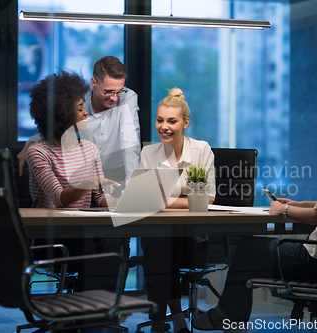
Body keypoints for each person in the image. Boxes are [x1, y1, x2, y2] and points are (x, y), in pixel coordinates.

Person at [192, 94, 317, 330]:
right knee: (251, 256)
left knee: (247, 249)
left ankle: (228, 314)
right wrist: (294, 204)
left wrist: (284, 211)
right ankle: (230, 315)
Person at [26, 69, 121, 292]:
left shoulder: (90, 149)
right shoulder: (39, 153)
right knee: (104, 247)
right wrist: (90, 181)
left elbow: (99, 198)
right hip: (52, 237)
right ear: (62, 115)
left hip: (84, 231)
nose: (86, 113)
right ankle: (89, 312)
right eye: (79, 109)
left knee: (116, 241)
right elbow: (59, 199)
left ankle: (99, 312)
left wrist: (123, 199)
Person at [140, 88, 216, 333]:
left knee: (159, 247)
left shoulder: (200, 150)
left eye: (172, 121)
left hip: (193, 236)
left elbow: (206, 198)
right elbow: (146, 198)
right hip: (159, 234)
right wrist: (186, 196)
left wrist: (163, 198)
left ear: (186, 123)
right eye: (160, 120)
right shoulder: (148, 153)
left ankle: (160, 321)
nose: (164, 126)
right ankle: (175, 318)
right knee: (157, 243)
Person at [19, 55, 141, 192]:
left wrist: (133, 187)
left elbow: (130, 143)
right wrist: (29, 146)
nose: (114, 98)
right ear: (94, 82)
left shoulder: (128, 98)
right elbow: (54, 123)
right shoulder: (79, 98)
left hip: (116, 177)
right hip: (83, 176)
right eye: (108, 92)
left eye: (119, 91)